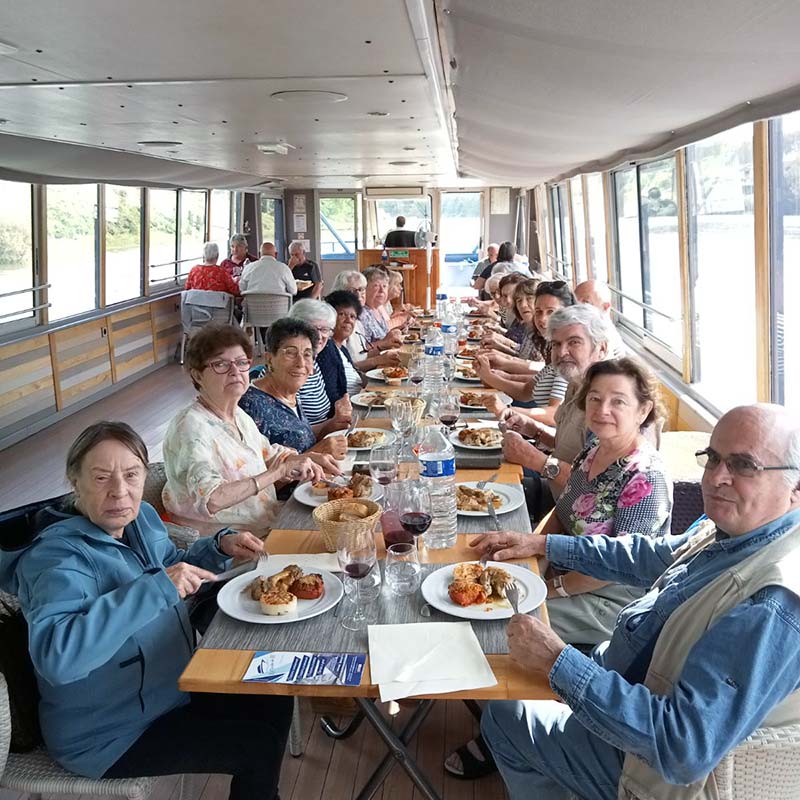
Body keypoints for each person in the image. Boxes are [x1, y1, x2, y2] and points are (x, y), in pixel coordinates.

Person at [473, 403, 800, 800]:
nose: (717, 477)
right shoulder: (734, 531)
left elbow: (682, 747)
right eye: (712, 458)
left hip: (646, 766)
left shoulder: (773, 605)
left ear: (796, 489)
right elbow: (651, 555)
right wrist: (542, 543)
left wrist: (559, 662)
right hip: (625, 679)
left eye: (744, 465)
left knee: (505, 716)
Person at [0, 421, 292, 799]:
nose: (120, 492)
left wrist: (220, 547)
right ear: (75, 483)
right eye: (102, 477)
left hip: (169, 688)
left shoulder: (139, 520)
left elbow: (171, 564)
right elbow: (59, 658)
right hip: (108, 733)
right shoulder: (56, 561)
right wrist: (156, 588)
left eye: (132, 474)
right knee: (255, 747)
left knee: (275, 691)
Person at [445, 358, 672, 780]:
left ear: (643, 411)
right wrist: (530, 551)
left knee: (499, 623)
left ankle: (505, 733)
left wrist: (552, 588)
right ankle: (499, 716)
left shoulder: (646, 477)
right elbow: (565, 512)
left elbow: (616, 565)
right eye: (596, 399)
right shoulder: (593, 452)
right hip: (566, 575)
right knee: (479, 585)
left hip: (613, 599)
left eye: (618, 401)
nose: (603, 409)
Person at [162, 323, 326, 537]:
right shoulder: (190, 428)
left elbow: (269, 454)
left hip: (268, 521)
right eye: (220, 364)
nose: (235, 372)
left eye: (241, 363)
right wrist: (278, 472)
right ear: (198, 375)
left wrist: (307, 459)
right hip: (231, 544)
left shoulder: (237, 415)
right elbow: (212, 499)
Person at [503, 303, 612, 521]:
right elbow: (579, 451)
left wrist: (537, 460)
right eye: (556, 344)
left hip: (579, 522)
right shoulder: (576, 383)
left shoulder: (607, 406)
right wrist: (535, 431)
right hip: (558, 505)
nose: (562, 352)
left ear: (601, 348)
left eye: (574, 342)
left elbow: (595, 489)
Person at [239, 317, 349, 460]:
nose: (301, 363)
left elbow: (300, 437)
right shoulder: (250, 405)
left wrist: (332, 424)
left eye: (307, 354)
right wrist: (317, 451)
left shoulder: (289, 392)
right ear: (269, 359)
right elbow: (256, 474)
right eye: (290, 352)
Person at [477, 281, 575, 423]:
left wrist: (508, 410)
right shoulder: (553, 350)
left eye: (551, 312)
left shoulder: (568, 357)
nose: (542, 319)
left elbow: (555, 413)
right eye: (539, 312)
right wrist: (490, 375)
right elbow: (525, 391)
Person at [288, 299, 353, 425]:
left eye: (324, 330)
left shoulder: (315, 364)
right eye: (312, 329)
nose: (318, 336)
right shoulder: (291, 368)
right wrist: (333, 424)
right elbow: (297, 432)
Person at [330, 270, 403, 365]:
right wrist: (378, 360)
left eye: (361, 289)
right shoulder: (339, 323)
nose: (358, 295)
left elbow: (362, 355)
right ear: (339, 293)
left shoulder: (357, 323)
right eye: (352, 291)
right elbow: (347, 368)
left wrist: (384, 346)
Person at [323, 290, 367, 394]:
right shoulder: (327, 349)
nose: (348, 320)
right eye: (342, 314)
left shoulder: (341, 348)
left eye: (352, 316)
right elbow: (333, 393)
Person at [574, 279, 625, 357]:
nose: (577, 307)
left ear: (605, 307)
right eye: (575, 302)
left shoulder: (603, 337)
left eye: (586, 302)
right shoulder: (586, 327)